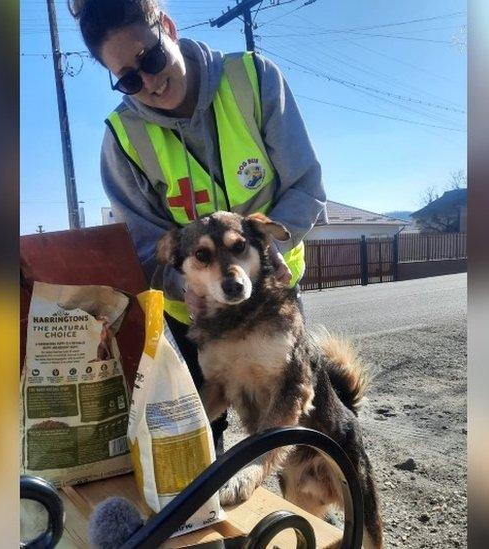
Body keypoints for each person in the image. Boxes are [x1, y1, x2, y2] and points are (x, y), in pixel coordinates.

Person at [74, 0, 326, 451]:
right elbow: (146, 246)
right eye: (129, 78)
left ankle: (304, 513)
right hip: (195, 316)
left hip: (271, 295)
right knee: (200, 435)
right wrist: (185, 286)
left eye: (150, 58)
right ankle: (215, 518)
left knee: (295, 426)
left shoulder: (253, 80)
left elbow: (305, 184)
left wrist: (266, 255)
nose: (148, 82)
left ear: (166, 26)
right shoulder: (123, 139)